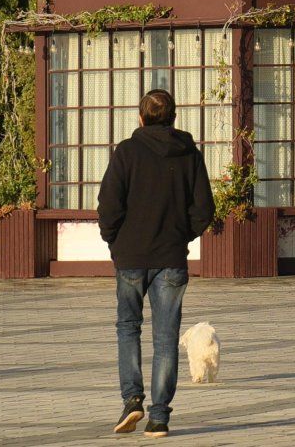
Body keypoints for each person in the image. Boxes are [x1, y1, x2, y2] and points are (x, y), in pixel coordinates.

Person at [98, 89, 215, 439]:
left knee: (127, 328)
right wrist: (182, 236)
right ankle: (159, 417)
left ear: (141, 117)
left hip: (130, 256)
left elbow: (108, 205)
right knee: (165, 338)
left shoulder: (127, 153)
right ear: (174, 118)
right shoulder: (189, 155)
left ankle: (132, 398)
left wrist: (114, 241)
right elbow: (204, 210)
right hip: (170, 257)